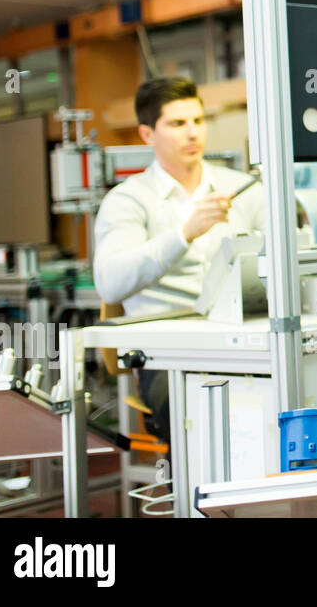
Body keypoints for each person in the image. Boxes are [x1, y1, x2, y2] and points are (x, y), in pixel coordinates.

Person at [93, 77, 264, 438]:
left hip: (240, 340)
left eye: (198, 121)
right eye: (177, 123)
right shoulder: (128, 200)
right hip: (166, 354)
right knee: (198, 423)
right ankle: (192, 491)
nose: (192, 133)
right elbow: (110, 283)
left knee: (280, 399)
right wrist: (183, 233)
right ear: (146, 135)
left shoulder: (243, 190)